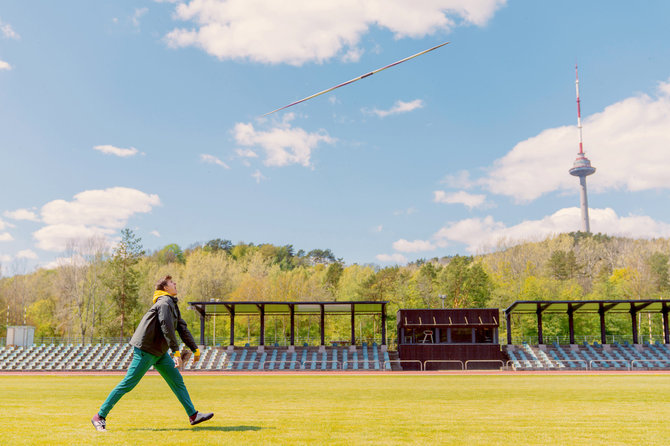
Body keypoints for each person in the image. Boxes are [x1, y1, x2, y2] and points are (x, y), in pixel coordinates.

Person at [91, 275, 213, 432]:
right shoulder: (164, 302)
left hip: (159, 352)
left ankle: (193, 415)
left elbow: (182, 328)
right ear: (165, 288)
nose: (175, 283)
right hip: (145, 349)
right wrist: (176, 352)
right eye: (171, 282)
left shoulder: (172, 305)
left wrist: (195, 349)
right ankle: (99, 416)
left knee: (177, 381)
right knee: (128, 383)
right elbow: (166, 326)